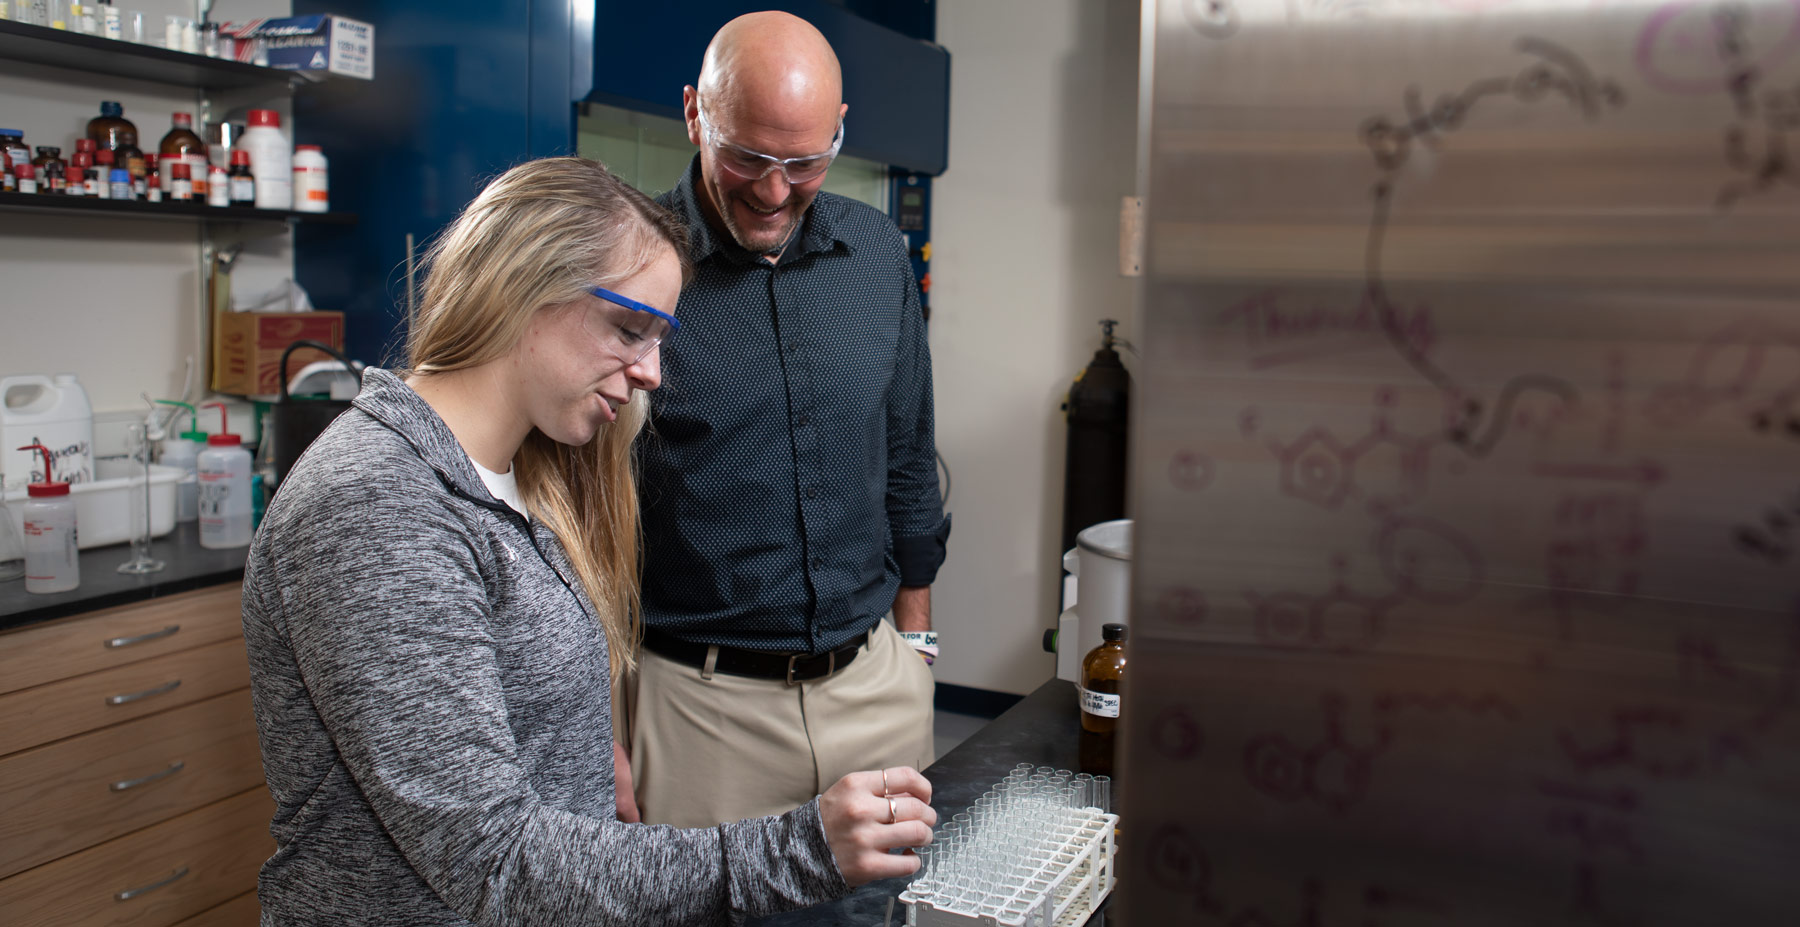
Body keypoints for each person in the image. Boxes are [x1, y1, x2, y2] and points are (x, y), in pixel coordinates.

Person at [241, 156, 935, 926]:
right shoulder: (378, 502)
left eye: (661, 338)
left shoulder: (519, 479)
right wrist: (800, 848)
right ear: (524, 287)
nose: (651, 373)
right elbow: (493, 859)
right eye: (630, 329)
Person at [628, 11, 950, 829]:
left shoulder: (878, 256)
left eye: (804, 163)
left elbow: (910, 459)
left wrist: (915, 651)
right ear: (696, 113)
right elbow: (579, 523)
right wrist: (602, 727)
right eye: (747, 157)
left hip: (873, 691)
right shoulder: (630, 271)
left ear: (840, 133)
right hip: (700, 713)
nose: (773, 192)